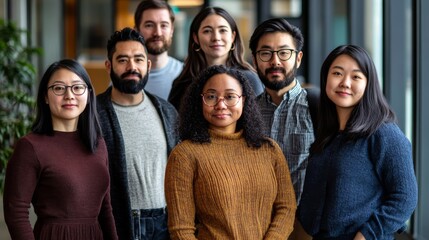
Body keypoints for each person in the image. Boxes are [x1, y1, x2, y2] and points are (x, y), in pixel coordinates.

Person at [298, 45, 418, 240]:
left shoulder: (384, 133)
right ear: (326, 78)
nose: (345, 83)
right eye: (337, 73)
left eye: (356, 77)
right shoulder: (327, 132)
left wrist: (366, 235)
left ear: (368, 84)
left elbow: (405, 197)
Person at [165, 65, 296, 239]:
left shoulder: (270, 150)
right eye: (211, 96)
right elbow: (181, 229)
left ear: (244, 100)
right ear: (200, 101)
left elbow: (286, 207)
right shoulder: (184, 155)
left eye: (230, 97)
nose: (220, 104)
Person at [3, 59, 118, 240]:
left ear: (88, 95)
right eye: (58, 88)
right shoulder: (30, 147)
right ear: (45, 97)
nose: (69, 95)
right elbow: (15, 212)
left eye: (77, 87)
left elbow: (105, 208)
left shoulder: (98, 144)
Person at [96, 27, 179, 240]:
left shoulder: (167, 111)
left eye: (138, 59)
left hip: (166, 222)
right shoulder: (93, 114)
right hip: (119, 221)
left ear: (148, 65)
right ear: (109, 65)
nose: (132, 67)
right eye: (122, 60)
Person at [248, 18, 317, 239]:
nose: (275, 61)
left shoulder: (319, 107)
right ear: (255, 60)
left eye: (284, 53)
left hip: (306, 226)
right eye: (265, 53)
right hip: (257, 225)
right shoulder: (246, 114)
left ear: (298, 58)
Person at [168, 6, 264, 111]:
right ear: (196, 38)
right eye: (207, 31)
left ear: (232, 36)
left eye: (222, 30)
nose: (216, 38)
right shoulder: (183, 83)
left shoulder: (250, 80)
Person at [134, 0, 183, 100]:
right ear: (136, 31)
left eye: (164, 25)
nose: (157, 33)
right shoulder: (125, 77)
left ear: (172, 30)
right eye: (149, 25)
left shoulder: (186, 75)